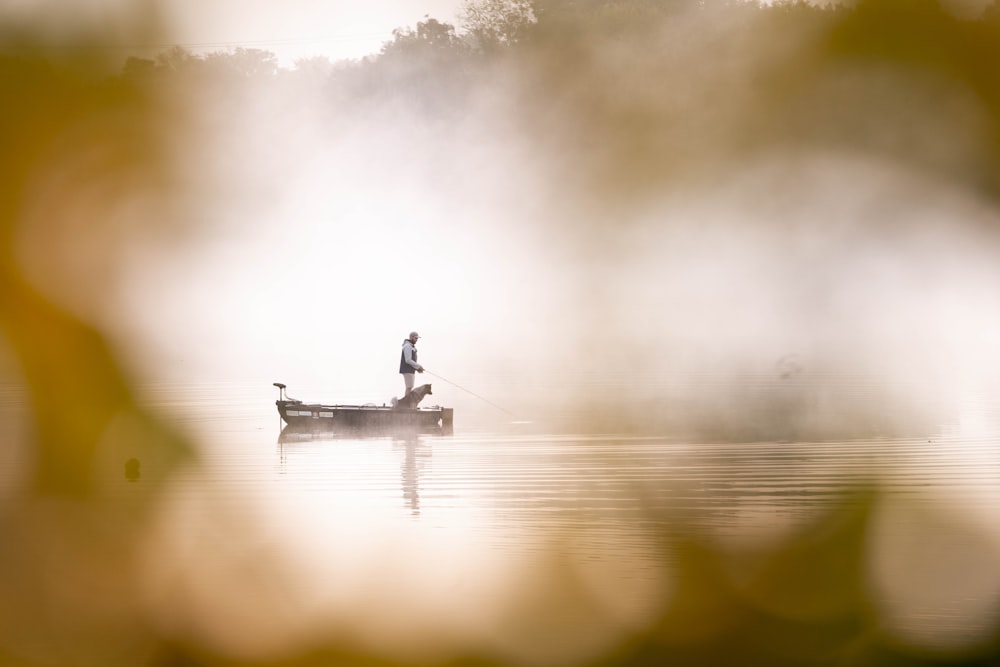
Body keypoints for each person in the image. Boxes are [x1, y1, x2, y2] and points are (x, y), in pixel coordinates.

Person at [399, 331, 424, 396]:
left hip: (410, 370)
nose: (416, 340)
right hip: (407, 369)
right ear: (411, 337)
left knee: (410, 386)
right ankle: (406, 404)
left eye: (417, 338)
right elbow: (408, 360)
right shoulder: (407, 346)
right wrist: (419, 366)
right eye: (415, 338)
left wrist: (417, 368)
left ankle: (407, 404)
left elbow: (412, 361)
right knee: (409, 387)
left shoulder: (411, 346)